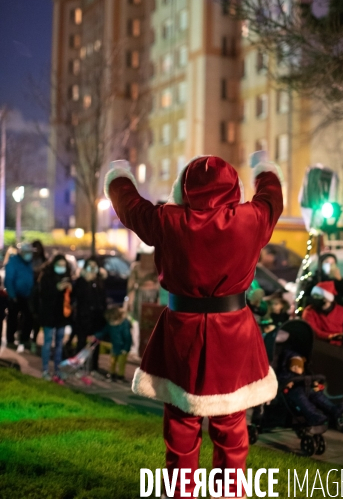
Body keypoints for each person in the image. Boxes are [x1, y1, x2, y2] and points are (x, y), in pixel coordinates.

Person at [104, 151, 283, 498]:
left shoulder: (168, 221)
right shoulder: (252, 219)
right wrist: (263, 168)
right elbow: (271, 196)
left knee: (181, 426)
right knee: (231, 428)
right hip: (233, 332)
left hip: (181, 330)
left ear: (182, 190)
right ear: (235, 189)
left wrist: (119, 174)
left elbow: (130, 207)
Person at [279, 353, 343, 426]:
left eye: (298, 366)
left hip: (307, 390)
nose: (295, 368)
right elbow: (282, 380)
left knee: (318, 395)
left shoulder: (306, 374)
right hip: (295, 393)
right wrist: (286, 383)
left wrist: (315, 383)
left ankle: (333, 409)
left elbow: (313, 380)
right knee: (302, 399)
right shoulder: (287, 374)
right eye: (293, 366)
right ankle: (313, 416)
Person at [37, 254, 72, 382]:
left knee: (59, 344)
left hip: (61, 316)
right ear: (54, 265)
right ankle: (45, 370)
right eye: (59, 265)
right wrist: (56, 288)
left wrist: (69, 289)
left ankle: (57, 370)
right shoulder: (46, 277)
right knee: (47, 343)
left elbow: (70, 298)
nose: (61, 267)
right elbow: (43, 295)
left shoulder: (66, 276)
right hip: (48, 315)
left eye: (63, 265)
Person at [72, 256, 107, 374]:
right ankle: (79, 365)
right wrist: (86, 281)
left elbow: (102, 298)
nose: (92, 269)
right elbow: (77, 296)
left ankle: (93, 367)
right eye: (90, 266)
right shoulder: (81, 281)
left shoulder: (99, 281)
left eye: (94, 266)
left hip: (97, 317)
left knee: (95, 342)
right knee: (81, 342)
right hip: (83, 316)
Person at [4, 242, 34, 352]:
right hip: (15, 295)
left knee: (29, 318)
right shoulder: (13, 262)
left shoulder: (29, 263)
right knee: (12, 318)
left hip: (27, 295)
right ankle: (10, 340)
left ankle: (25, 338)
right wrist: (12, 295)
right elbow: (9, 280)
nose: (29, 254)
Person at [95, 305, 132, 382]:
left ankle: (120, 376)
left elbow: (127, 337)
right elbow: (104, 331)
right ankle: (112, 374)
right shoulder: (111, 324)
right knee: (112, 361)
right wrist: (95, 336)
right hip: (115, 345)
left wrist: (126, 348)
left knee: (121, 362)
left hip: (122, 347)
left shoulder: (124, 323)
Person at [29, 240, 47, 354]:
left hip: (41, 291)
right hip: (30, 290)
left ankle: (34, 340)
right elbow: (32, 271)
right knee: (29, 315)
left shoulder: (44, 260)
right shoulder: (28, 260)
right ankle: (26, 338)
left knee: (38, 318)